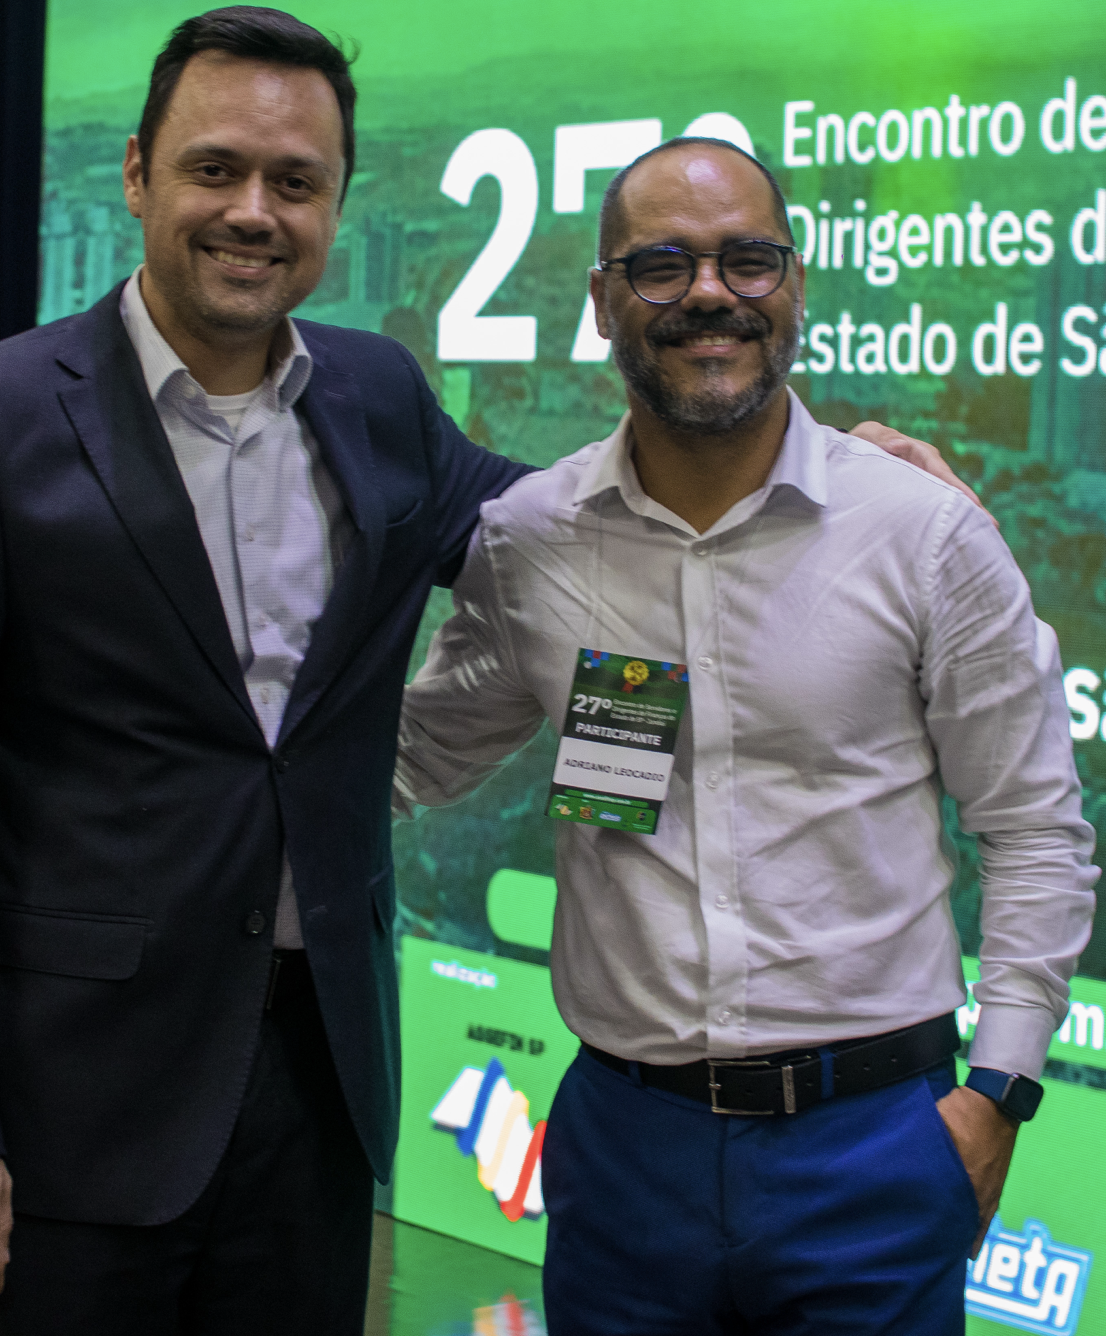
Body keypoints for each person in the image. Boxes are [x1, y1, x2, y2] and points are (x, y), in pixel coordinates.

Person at [0, 5, 975, 1329]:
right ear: (138, 174)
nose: (253, 211)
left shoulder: (374, 396)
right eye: (215, 169)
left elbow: (575, 526)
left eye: (294, 181)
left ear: (334, 203)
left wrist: (829, 479)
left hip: (318, 1084)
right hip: (74, 1097)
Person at [393, 137, 1097, 1336]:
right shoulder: (533, 543)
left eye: (745, 260)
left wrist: (996, 1096)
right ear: (602, 299)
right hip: (624, 1154)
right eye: (660, 265)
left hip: (872, 1146)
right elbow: (407, 761)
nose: (709, 293)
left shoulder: (920, 534)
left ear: (793, 285)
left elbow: (1033, 830)